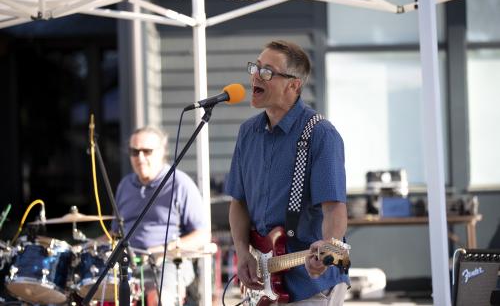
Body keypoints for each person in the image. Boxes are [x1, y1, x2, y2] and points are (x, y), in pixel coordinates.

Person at [225, 40, 350, 306]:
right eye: (256, 67)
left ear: (293, 85)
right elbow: (239, 202)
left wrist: (329, 252)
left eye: (268, 71)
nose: (256, 75)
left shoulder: (320, 134)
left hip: (311, 285)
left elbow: (334, 209)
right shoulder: (247, 133)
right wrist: (241, 251)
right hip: (264, 284)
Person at [112, 126, 209, 306]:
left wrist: (164, 248)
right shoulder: (124, 185)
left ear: (163, 151)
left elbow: (203, 235)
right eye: (134, 152)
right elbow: (114, 235)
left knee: (159, 299)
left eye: (147, 151)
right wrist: (88, 245)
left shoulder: (180, 183)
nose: (140, 158)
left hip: (169, 262)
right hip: (128, 263)